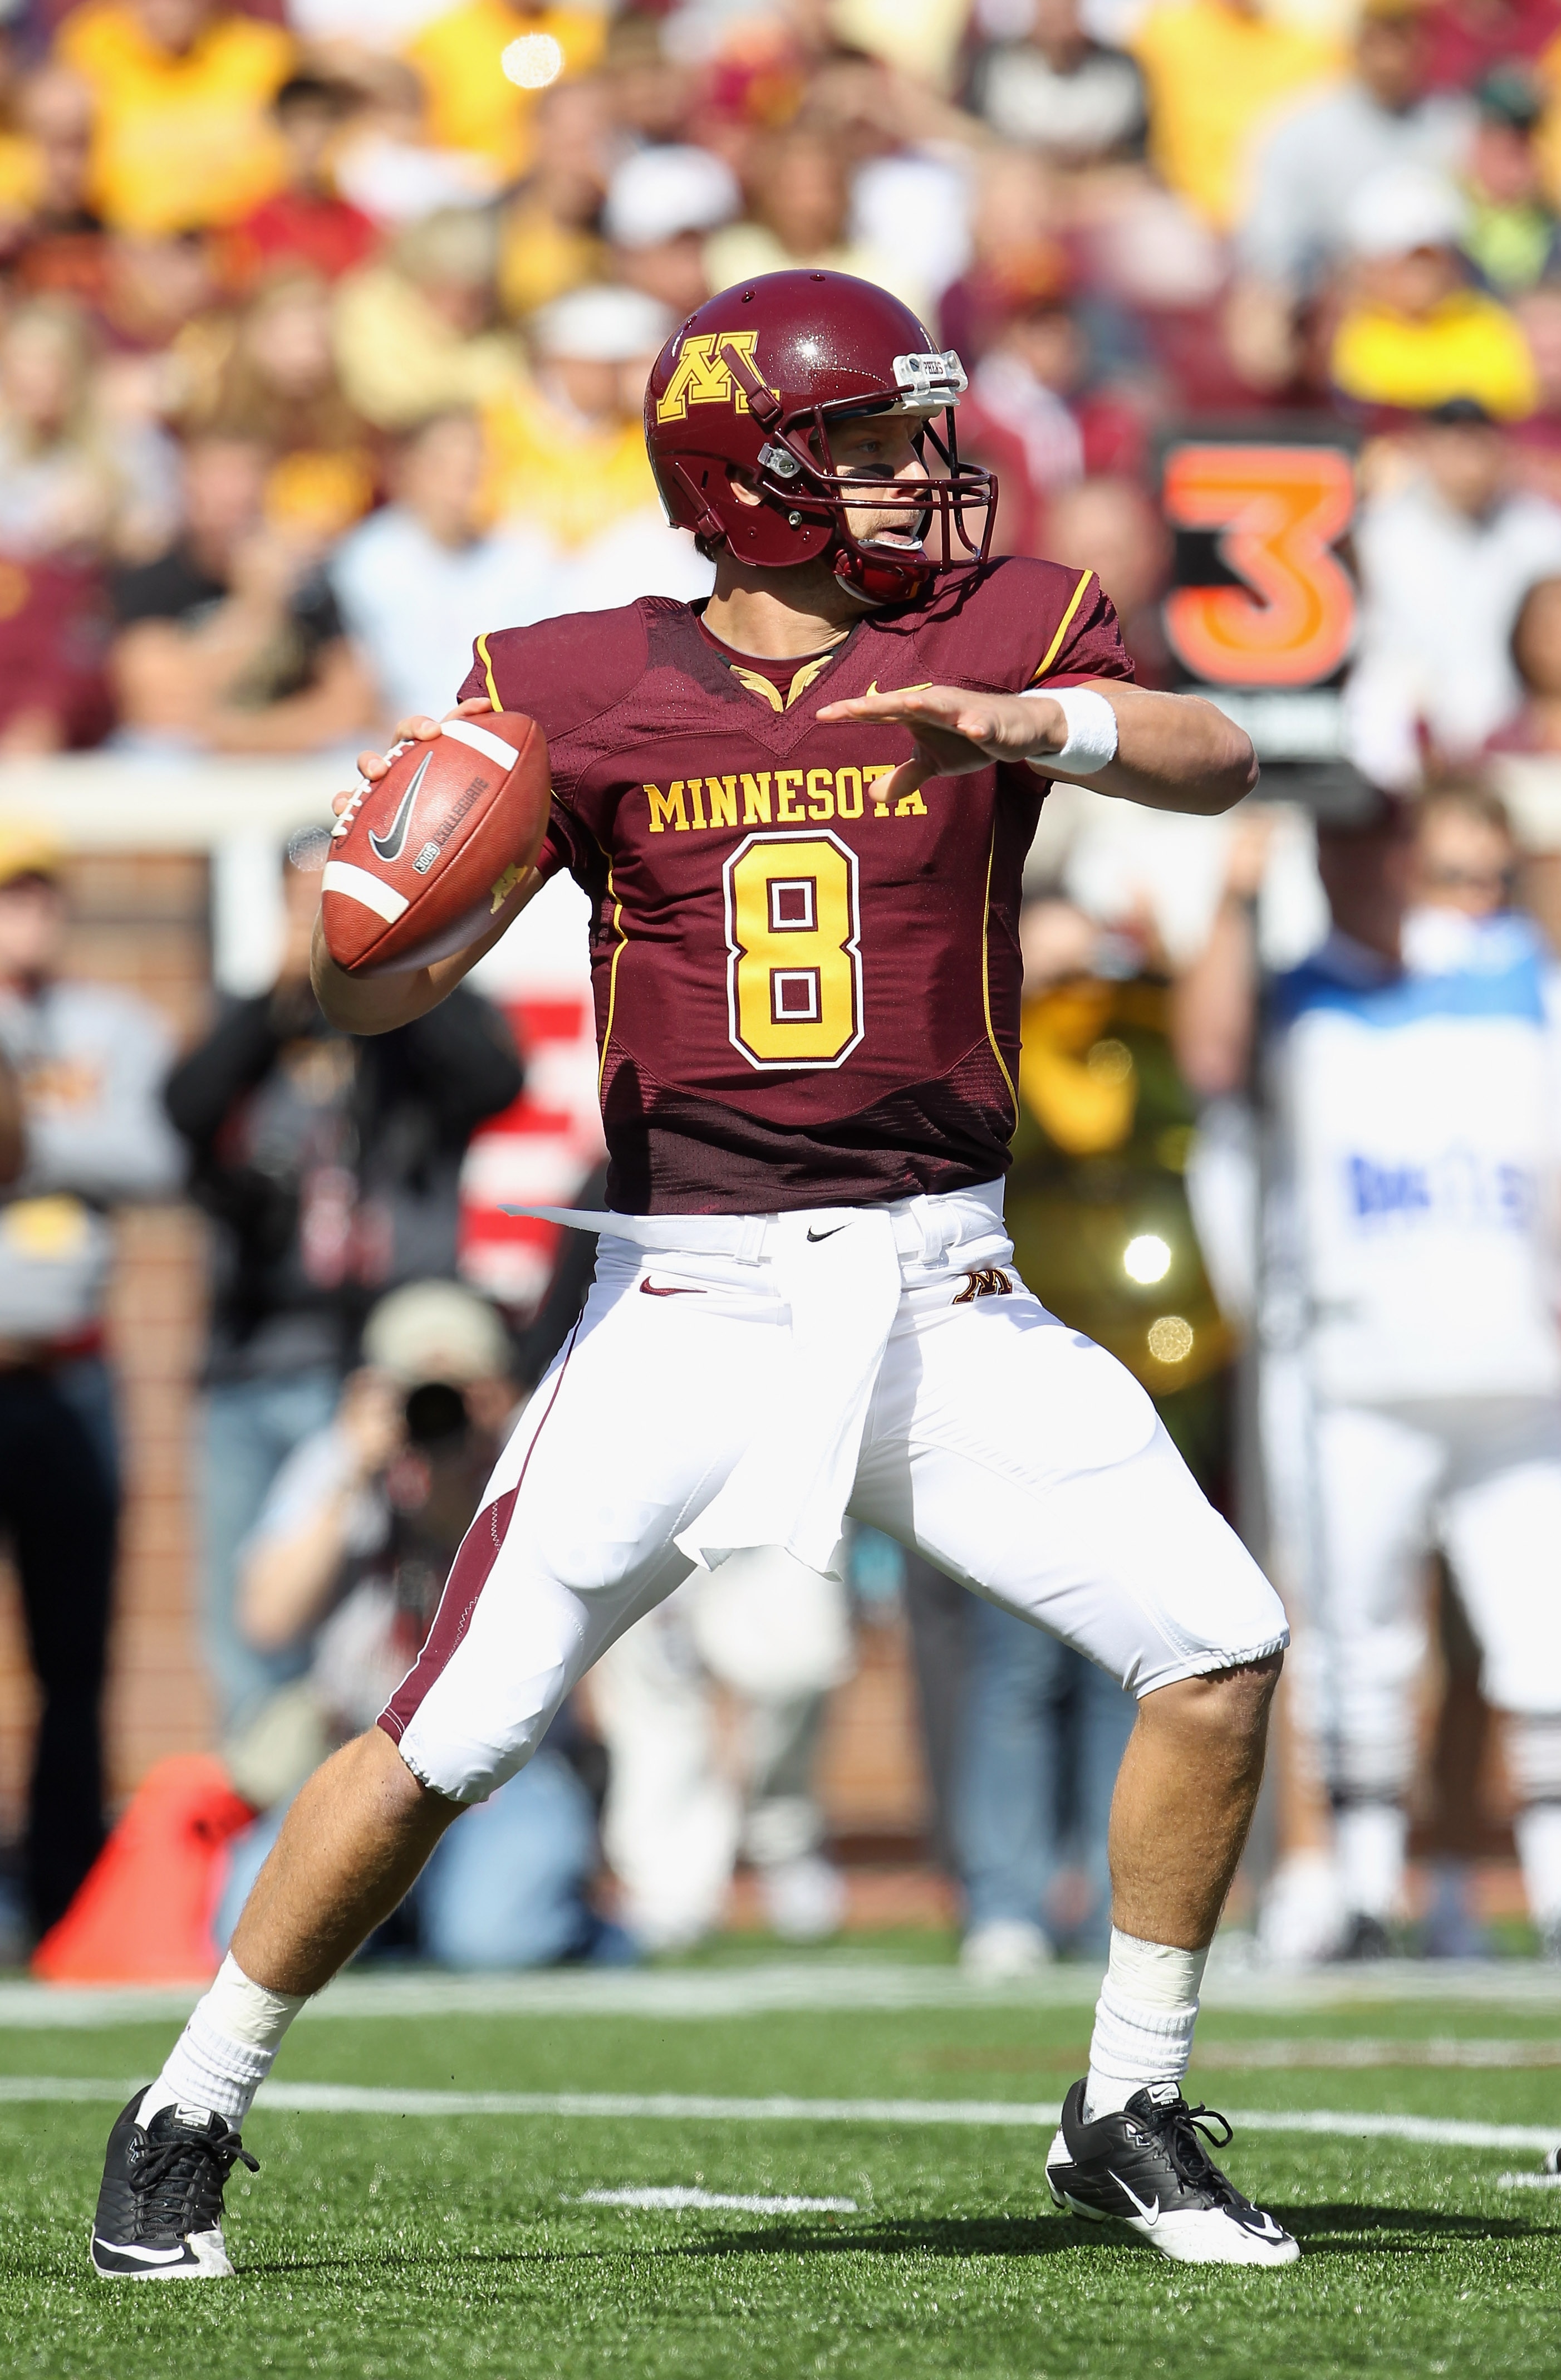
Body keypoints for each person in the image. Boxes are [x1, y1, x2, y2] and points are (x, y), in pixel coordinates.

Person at [91, 267, 1296, 2281]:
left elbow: (1210, 753)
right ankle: (191, 2097)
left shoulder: (998, 632)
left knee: (1218, 1639)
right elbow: (364, 998)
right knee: (451, 1726)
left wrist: (1037, 727)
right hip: (693, 1291)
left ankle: (1125, 2098)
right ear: (748, 477)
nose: (921, 475)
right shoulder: (570, 681)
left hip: (939, 1278)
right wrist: (382, 901)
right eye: (865, 444)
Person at [1177, 783, 1561, 1960]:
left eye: (1462, 869)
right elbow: (1207, 1051)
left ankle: (1545, 1895)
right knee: (1350, 1638)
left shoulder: (1525, 974)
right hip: (1354, 1362)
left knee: (1540, 1634)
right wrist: (1237, 894)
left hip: (1519, 1359)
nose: (1441, 891)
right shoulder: (1306, 983)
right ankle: (1357, 1886)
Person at [163, 843, 523, 1723]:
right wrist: (288, 990)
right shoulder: (253, 1020)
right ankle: (267, 1830)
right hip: (260, 1360)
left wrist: (387, 971)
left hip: (397, 1360)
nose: (327, 927)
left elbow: (496, 1081)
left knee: (415, 1616)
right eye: (309, 907)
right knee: (256, 1637)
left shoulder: (435, 1013)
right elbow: (184, 1111)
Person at [218, 1279, 619, 1971]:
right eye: (416, 1392)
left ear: (492, 1388)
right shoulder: (340, 1463)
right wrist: (353, 1469)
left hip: (506, 1772)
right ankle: (402, 1919)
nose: (435, 1413)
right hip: (358, 1759)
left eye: (456, 1390)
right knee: (255, 1936)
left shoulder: (535, 1462)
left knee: (497, 1943)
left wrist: (489, 1456)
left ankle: (563, 1922)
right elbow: (265, 1619)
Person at [0, 819, 183, 1936]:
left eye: (40, 892)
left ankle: (66, 1893)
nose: (28, 913)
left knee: (76, 1650)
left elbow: (155, 1157)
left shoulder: (110, 1023)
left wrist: (26, 1139)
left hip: (70, 1370)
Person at [108, 429, 377, 753]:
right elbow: (156, 705)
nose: (233, 497)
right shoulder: (153, 578)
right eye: (218, 478)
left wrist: (250, 736)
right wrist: (256, 608)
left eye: (245, 478)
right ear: (186, 486)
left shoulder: (308, 582)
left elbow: (351, 705)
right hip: (194, 759)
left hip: (283, 750)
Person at [1346, 398, 1561, 786]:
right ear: (1424, 450)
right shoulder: (1380, 534)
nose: (1467, 463)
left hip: (1513, 745)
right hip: (1399, 745)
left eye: (1477, 445)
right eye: (1453, 445)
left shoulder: (1541, 531)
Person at [329, 408, 556, 725]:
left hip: (501, 739)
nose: (463, 479)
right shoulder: (366, 562)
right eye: (444, 466)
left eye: (474, 465)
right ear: (407, 470)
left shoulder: (527, 554)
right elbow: (355, 689)